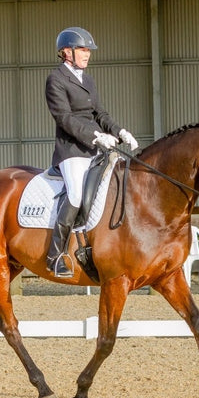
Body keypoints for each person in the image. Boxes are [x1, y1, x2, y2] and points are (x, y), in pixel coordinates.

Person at [44, 26, 137, 278]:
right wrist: (95, 136)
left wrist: (120, 131)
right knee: (75, 194)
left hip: (98, 147)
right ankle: (56, 255)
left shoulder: (88, 79)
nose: (87, 54)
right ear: (66, 52)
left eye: (88, 50)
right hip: (72, 150)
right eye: (83, 49)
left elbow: (100, 114)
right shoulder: (56, 79)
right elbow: (64, 118)